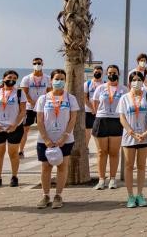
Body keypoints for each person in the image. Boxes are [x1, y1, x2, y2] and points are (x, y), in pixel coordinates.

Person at [34, 69, 79, 209]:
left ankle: (58, 195)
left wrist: (65, 136)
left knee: (62, 167)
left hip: (65, 139)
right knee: (46, 168)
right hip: (45, 140)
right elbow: (39, 120)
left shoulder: (70, 98)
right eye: (56, 78)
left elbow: (73, 119)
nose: (59, 81)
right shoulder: (43, 99)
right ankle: (45, 195)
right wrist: (46, 138)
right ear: (51, 81)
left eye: (62, 79)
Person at [118, 71, 147, 208]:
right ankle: (130, 196)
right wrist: (131, 132)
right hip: (129, 137)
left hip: (144, 137)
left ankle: (140, 194)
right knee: (129, 166)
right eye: (134, 79)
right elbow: (122, 117)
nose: (136, 82)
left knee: (141, 167)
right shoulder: (124, 98)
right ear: (129, 82)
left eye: (139, 79)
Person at [91, 64, 127, 190]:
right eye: (110, 72)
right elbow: (95, 104)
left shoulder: (124, 89)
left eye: (115, 72)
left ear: (119, 74)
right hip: (102, 120)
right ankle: (101, 180)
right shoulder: (100, 88)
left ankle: (112, 179)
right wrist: (101, 113)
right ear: (106, 74)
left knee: (114, 152)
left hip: (117, 121)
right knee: (101, 152)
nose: (112, 74)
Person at [0, 70, 26, 188]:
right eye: (10, 77)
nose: (12, 79)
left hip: (14, 127)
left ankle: (14, 176)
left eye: (15, 78)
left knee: (13, 153)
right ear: (4, 78)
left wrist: (15, 125)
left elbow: (22, 111)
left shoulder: (19, 93)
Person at [18, 57, 49, 159]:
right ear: (32, 64)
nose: (37, 64)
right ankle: (21, 151)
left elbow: (49, 92)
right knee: (25, 129)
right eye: (35, 63)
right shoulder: (27, 78)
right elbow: (24, 93)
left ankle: (47, 148)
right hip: (29, 107)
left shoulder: (47, 78)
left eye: (39, 63)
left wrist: (41, 103)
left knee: (44, 128)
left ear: (42, 63)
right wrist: (32, 102)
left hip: (43, 107)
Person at [83, 65, 102, 153]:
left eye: (99, 72)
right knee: (87, 132)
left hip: (100, 112)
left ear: (102, 73)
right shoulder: (87, 83)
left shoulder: (104, 84)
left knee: (99, 132)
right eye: (96, 72)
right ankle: (85, 147)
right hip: (88, 111)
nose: (97, 73)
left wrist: (97, 110)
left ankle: (100, 148)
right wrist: (93, 108)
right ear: (93, 72)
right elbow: (85, 98)